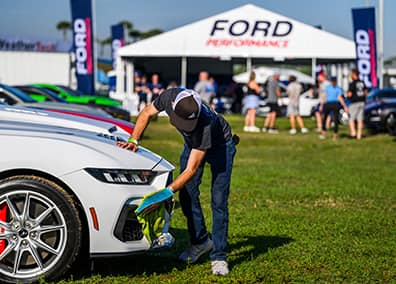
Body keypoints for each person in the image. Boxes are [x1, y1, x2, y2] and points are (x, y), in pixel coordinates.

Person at [117, 88, 237, 276]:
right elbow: (147, 112)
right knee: (187, 195)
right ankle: (200, 242)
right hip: (192, 144)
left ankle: (219, 256)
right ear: (172, 106)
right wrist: (134, 139)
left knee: (218, 201)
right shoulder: (169, 96)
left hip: (221, 146)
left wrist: (164, 194)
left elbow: (191, 170)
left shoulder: (206, 122)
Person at [347, 69, 368, 139]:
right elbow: (366, 92)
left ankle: (353, 133)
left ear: (354, 74)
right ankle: (359, 136)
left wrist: (347, 96)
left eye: (351, 74)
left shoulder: (352, 83)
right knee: (360, 119)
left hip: (354, 102)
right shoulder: (362, 82)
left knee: (350, 118)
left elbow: (349, 94)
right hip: (362, 102)